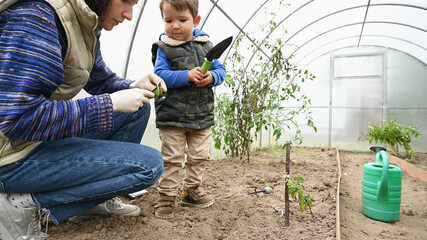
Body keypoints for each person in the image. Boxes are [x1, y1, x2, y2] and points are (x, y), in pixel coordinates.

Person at [0, 0, 167, 239]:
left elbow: (98, 79)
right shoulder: (39, 17)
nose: (130, 15)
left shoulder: (81, 20)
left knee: (137, 110)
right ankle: (20, 202)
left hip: (33, 141)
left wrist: (132, 86)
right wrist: (108, 105)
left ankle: (89, 204)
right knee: (148, 166)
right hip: (10, 155)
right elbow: (18, 119)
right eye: (126, 2)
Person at [151, 0, 226, 219]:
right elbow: (160, 75)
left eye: (182, 20)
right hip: (172, 117)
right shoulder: (164, 48)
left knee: (199, 156)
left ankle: (191, 190)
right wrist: (187, 76)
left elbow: (221, 71)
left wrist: (211, 77)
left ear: (196, 20)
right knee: (172, 158)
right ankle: (166, 195)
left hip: (202, 116)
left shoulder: (206, 46)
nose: (175, 25)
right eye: (169, 20)